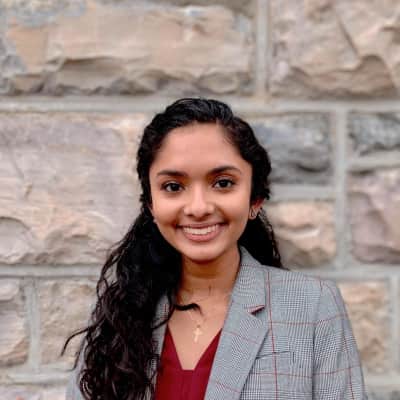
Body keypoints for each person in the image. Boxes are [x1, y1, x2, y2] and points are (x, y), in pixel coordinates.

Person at [65, 98, 367, 399]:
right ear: (151, 205)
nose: (198, 208)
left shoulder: (311, 306)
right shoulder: (119, 315)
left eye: (222, 183)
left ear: (255, 199)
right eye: (173, 186)